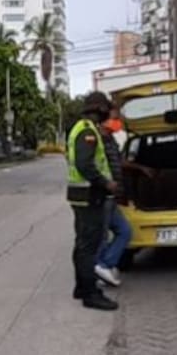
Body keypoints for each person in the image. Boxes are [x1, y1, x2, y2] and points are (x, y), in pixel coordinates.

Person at [67, 92, 119, 311]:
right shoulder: (87, 131)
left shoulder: (81, 128)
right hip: (89, 196)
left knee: (82, 244)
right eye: (106, 108)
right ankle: (90, 293)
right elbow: (84, 164)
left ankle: (81, 287)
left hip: (81, 196)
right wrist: (106, 183)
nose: (108, 113)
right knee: (90, 246)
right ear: (98, 108)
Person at [95, 113, 150, 288]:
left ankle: (104, 266)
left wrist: (141, 168)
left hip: (113, 197)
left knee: (125, 231)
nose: (117, 121)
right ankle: (100, 270)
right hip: (103, 196)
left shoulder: (110, 139)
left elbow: (120, 162)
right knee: (102, 237)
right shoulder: (96, 141)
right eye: (114, 117)